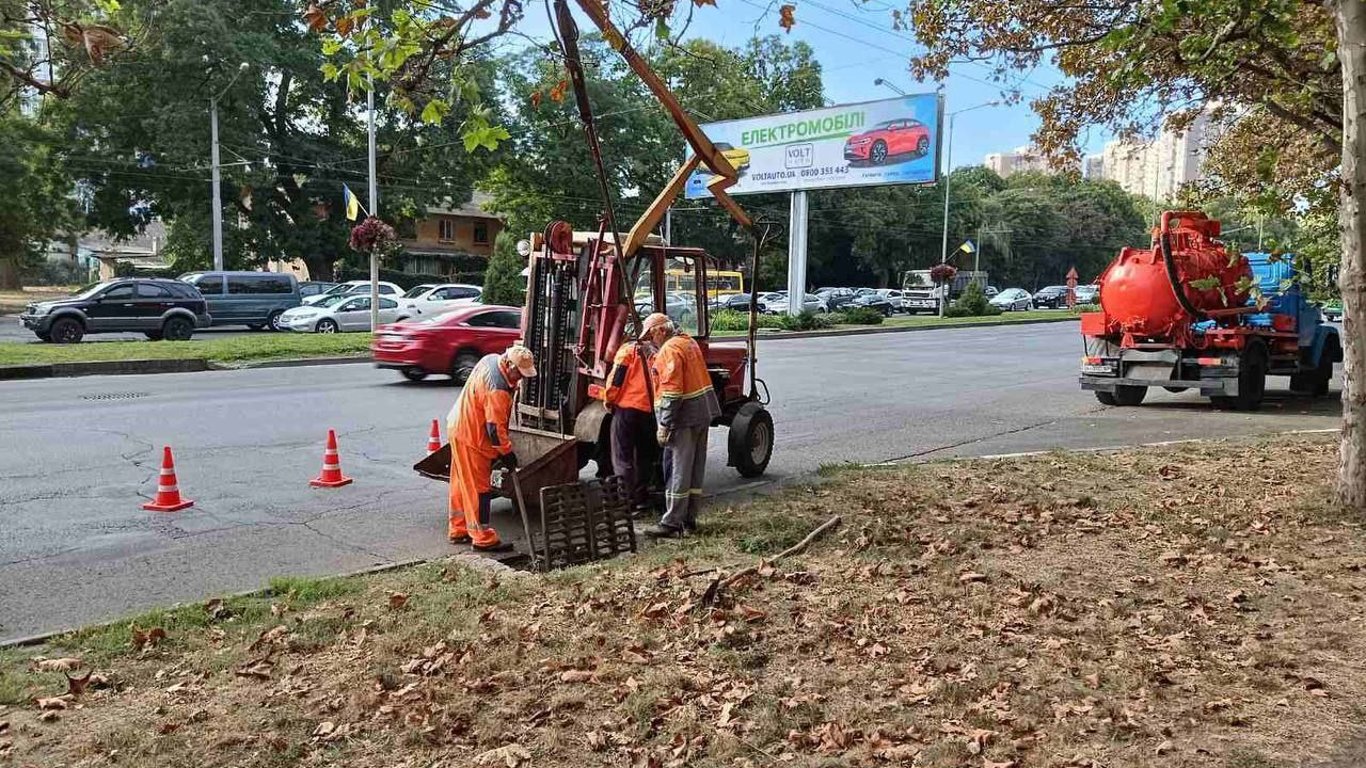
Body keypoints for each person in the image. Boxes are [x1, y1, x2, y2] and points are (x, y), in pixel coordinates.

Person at [447, 344, 537, 552]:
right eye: (519, 374)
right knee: (479, 490)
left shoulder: (489, 359)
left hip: (459, 427)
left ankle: (458, 528)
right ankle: (482, 537)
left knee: (461, 484)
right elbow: (494, 430)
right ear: (510, 365)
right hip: (473, 438)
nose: (520, 379)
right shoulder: (498, 390)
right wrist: (507, 454)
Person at [640, 312, 720, 538]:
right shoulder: (687, 342)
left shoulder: (670, 350)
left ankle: (671, 522)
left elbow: (672, 392)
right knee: (695, 468)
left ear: (660, 331)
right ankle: (689, 518)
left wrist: (665, 424)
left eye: (650, 335)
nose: (648, 340)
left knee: (678, 470)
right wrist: (655, 355)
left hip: (682, 418)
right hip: (701, 413)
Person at [601, 332, 657, 516]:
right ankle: (642, 500)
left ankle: (626, 502)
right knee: (644, 457)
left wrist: (608, 401)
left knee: (622, 458)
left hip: (627, 410)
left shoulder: (626, 351)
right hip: (649, 411)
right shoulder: (655, 353)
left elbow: (616, 380)